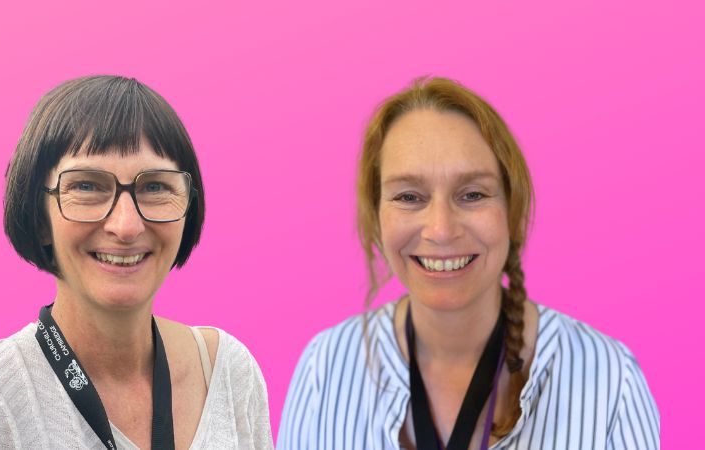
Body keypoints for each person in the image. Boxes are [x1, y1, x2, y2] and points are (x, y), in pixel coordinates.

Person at [278, 77, 660, 450]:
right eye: (409, 197)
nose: (441, 230)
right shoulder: (324, 367)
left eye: (473, 194)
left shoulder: (611, 379)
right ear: (377, 215)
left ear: (510, 210)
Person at [0, 75, 273, 449]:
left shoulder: (229, 373)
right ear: (40, 219)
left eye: (154, 187)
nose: (126, 226)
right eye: (87, 186)